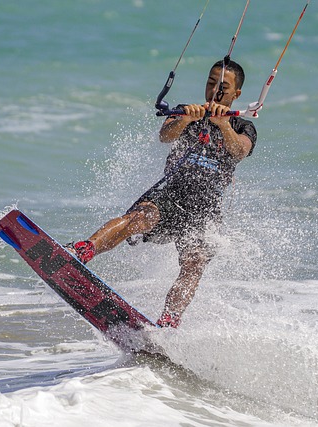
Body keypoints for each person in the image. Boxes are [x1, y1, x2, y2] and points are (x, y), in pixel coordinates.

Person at [67, 59, 257, 328]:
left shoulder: (242, 127)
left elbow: (239, 151)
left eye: (223, 87)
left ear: (236, 94)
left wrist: (223, 124)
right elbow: (166, 135)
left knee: (194, 262)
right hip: (171, 196)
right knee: (137, 218)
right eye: (211, 83)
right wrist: (187, 119)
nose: (214, 90)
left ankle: (169, 320)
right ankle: (84, 250)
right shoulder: (185, 112)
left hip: (205, 210)